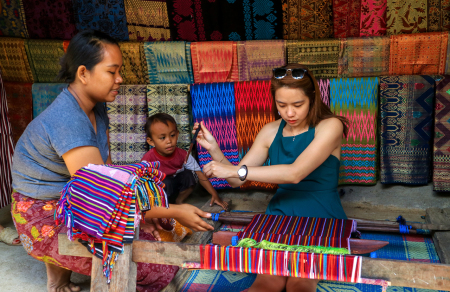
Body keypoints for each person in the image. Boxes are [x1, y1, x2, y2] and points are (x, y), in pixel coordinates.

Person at [11, 30, 213, 292]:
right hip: (40, 215)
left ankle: (58, 279)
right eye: (112, 71)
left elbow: (104, 172)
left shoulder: (96, 107)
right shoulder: (69, 120)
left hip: (67, 199)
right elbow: (98, 195)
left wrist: (143, 211)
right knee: (155, 266)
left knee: (162, 227)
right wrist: (171, 209)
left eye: (120, 71)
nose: (120, 79)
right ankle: (55, 268)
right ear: (83, 73)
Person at [193, 64, 349, 292]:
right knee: (267, 283)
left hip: (321, 215)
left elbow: (295, 173)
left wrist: (236, 170)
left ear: (312, 99)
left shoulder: (331, 126)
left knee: (300, 283)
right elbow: (237, 180)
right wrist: (215, 150)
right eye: (281, 105)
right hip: (280, 213)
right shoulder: (270, 131)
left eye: (298, 105)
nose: (289, 113)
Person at [141, 113, 228, 209]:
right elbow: (142, 184)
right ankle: (164, 206)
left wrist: (214, 194)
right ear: (151, 141)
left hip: (177, 188)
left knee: (190, 175)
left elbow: (199, 174)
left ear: (177, 134)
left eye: (172, 135)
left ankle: (179, 201)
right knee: (161, 182)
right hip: (160, 191)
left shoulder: (183, 155)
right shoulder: (147, 160)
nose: (169, 141)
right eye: (162, 138)